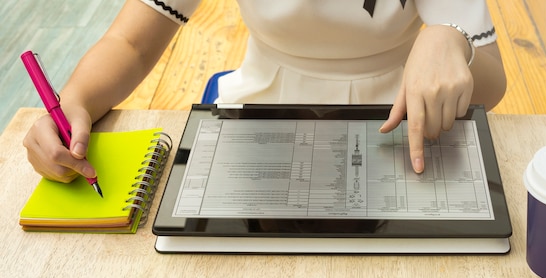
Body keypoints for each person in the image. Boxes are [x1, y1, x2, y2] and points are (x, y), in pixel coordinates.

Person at [23, 0, 506, 182]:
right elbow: (130, 42)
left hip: (399, 118)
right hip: (262, 109)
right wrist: (75, 103)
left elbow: (493, 80)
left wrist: (453, 40)